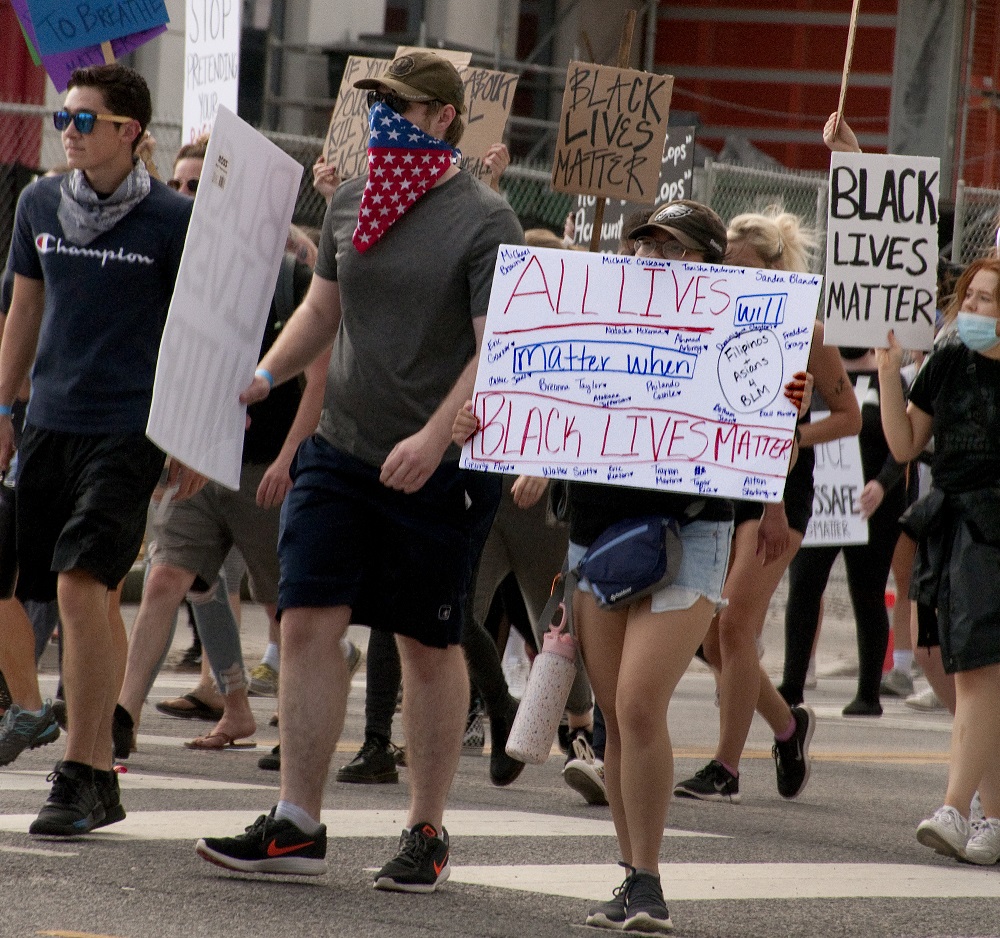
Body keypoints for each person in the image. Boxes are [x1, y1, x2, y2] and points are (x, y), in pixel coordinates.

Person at [195, 51, 523, 891]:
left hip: (437, 466)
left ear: (443, 118)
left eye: (401, 107)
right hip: (340, 449)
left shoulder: (486, 219)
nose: (382, 120)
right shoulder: (352, 199)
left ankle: (426, 828)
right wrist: (264, 376)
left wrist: (437, 434)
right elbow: (321, 310)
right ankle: (297, 823)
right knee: (304, 620)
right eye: (376, 105)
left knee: (424, 641)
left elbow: (495, 354)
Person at [0, 64, 202, 835]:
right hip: (50, 418)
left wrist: (190, 432)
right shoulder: (39, 201)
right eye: (65, 118)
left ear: (131, 134)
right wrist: (3, 402)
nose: (71, 132)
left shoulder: (174, 221)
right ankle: (97, 769)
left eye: (86, 120)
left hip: (131, 425)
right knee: (86, 590)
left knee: (84, 580)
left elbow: (199, 335)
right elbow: (26, 305)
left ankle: (83, 770)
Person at [674, 209, 861, 803]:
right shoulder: (713, 319)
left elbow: (850, 416)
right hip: (722, 487)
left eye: (743, 264)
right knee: (709, 639)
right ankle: (787, 726)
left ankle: (725, 768)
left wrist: (794, 438)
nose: (730, 272)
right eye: (724, 262)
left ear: (776, 269)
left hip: (778, 494)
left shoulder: (807, 332)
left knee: (734, 625)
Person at [879, 257, 1000, 866]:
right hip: (951, 525)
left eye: (989, 301)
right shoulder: (949, 360)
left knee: (978, 670)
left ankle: (954, 806)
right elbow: (904, 444)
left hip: (994, 530)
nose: (976, 311)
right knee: (946, 660)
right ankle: (996, 817)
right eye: (971, 299)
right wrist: (887, 372)